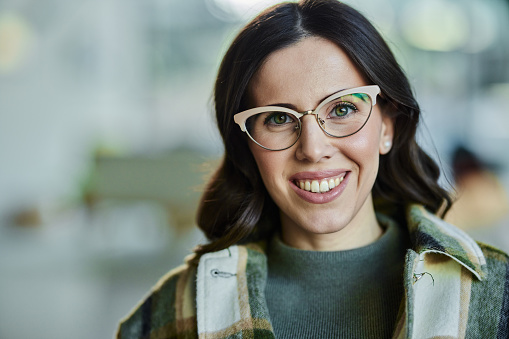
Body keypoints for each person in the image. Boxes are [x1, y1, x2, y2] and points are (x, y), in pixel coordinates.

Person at [116, 0, 509, 338]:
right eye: (277, 118)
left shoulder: (497, 296)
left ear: (386, 127)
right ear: (247, 146)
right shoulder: (169, 318)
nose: (313, 148)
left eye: (342, 109)